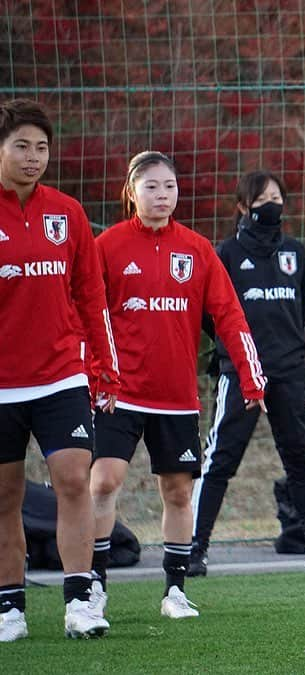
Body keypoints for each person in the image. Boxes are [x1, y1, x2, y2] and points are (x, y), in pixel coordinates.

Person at [88, 151, 267, 622]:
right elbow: (85, 316)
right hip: (118, 394)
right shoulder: (106, 247)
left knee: (178, 493)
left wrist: (251, 375)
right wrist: (93, 374)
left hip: (176, 397)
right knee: (103, 481)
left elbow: (229, 314)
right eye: (152, 186)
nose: (163, 195)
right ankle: (93, 588)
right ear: (132, 192)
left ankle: (174, 590)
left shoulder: (197, 249)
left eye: (169, 186)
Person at [0, 99, 119, 641]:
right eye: (21, 146)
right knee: (6, 497)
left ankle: (79, 601)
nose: (33, 157)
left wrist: (104, 368)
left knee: (74, 480)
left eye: (41, 147)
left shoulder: (66, 212)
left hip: (61, 375)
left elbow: (91, 295)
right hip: (3, 385)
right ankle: (10, 608)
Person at [187, 170, 305, 575]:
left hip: (290, 372)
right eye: (262, 198)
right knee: (220, 460)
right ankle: (193, 548)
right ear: (242, 207)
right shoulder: (226, 255)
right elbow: (208, 315)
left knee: (299, 459)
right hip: (239, 373)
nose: (271, 204)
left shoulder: (295, 253)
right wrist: (235, 354)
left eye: (276, 197)